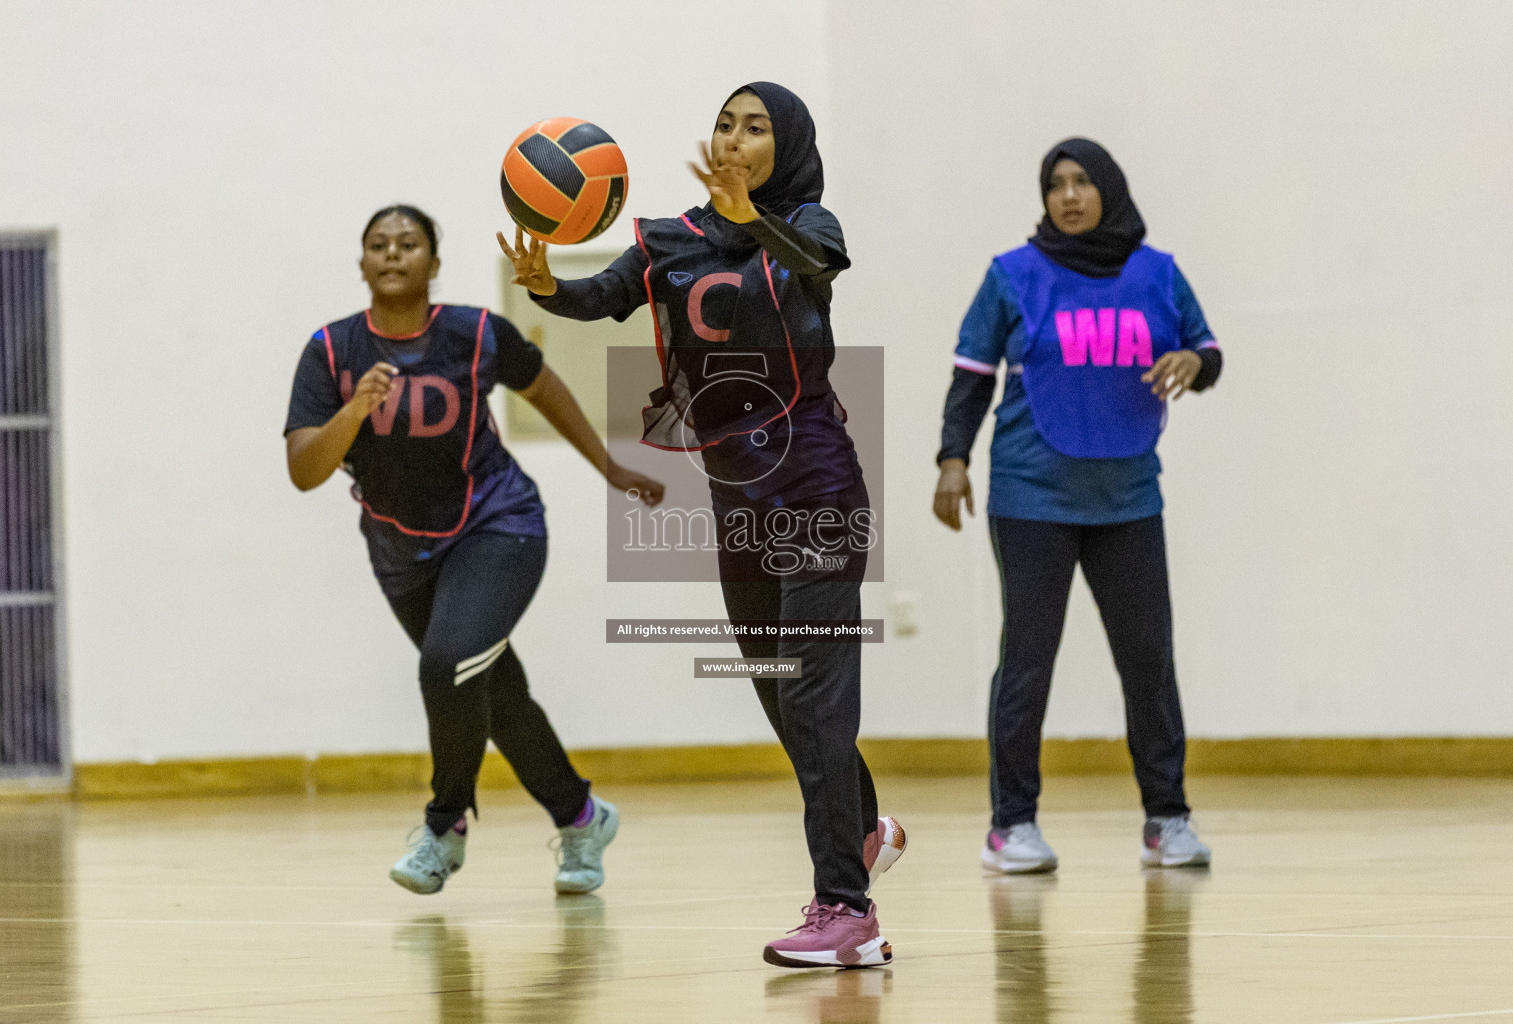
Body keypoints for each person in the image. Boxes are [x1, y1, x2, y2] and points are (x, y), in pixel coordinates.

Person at [500, 83, 904, 969]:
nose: (734, 137)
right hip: (737, 501)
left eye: (755, 128)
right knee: (777, 690)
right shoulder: (671, 237)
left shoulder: (811, 226)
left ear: (784, 146)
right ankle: (863, 823)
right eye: (726, 122)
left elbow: (814, 267)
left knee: (815, 695)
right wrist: (546, 288)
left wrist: (752, 217)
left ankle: (848, 910)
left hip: (818, 492)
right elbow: (604, 294)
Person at [284, 205, 663, 896]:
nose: (393, 254)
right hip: (399, 552)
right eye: (378, 244)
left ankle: (444, 826)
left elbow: (543, 384)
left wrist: (609, 467)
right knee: (494, 693)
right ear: (362, 263)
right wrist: (352, 412)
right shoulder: (331, 351)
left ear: (434, 261)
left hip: (499, 525)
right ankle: (583, 817)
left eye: (409, 243)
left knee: (448, 665)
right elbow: (304, 471)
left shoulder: (476, 332)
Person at [933, 139, 1221, 874]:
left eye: (1083, 181)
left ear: (1110, 190)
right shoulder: (1013, 276)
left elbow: (1206, 349)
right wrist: (952, 460)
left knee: (1149, 659)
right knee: (1028, 661)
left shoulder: (1158, 274)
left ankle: (1167, 820)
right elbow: (971, 376)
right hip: (1032, 496)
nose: (1068, 195)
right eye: (1056, 183)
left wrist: (1194, 361)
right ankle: (1012, 826)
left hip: (1128, 497)